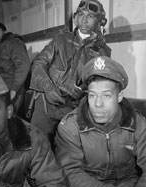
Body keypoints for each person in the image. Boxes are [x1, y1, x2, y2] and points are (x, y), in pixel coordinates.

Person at [55, 56, 146, 187]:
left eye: (107, 96)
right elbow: (69, 172)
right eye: (92, 95)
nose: (98, 104)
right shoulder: (70, 126)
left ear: (119, 96)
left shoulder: (137, 123)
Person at [29, 0, 111, 147]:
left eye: (90, 16)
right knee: (38, 147)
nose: (84, 20)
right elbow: (39, 63)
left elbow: (101, 82)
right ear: (75, 17)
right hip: (46, 105)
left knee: (67, 151)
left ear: (99, 21)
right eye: (80, 14)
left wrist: (82, 90)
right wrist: (48, 88)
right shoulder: (60, 40)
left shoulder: (103, 52)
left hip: (74, 109)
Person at [0, 20, 30, 114]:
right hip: (2, 89)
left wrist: (14, 88)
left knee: (10, 117)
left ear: (4, 31)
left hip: (12, 89)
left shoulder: (13, 43)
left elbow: (23, 65)